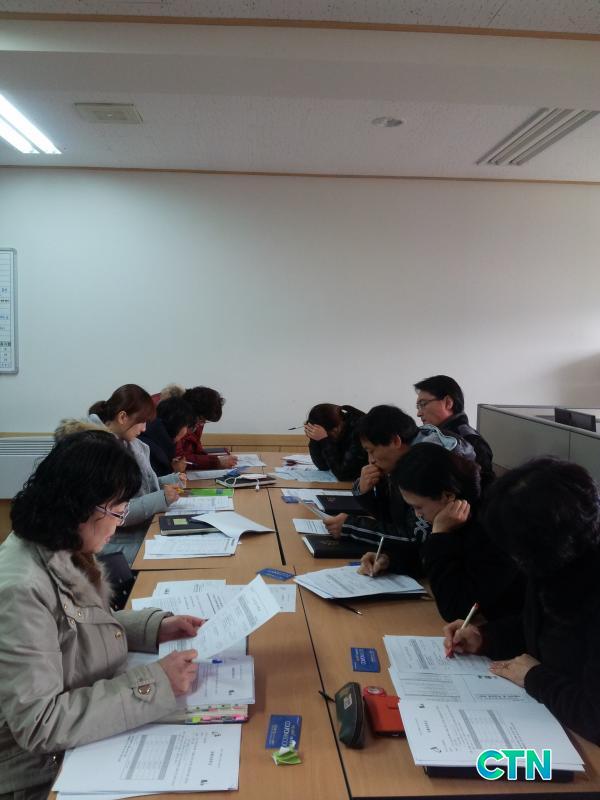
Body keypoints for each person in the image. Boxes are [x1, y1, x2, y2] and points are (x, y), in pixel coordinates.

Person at [0, 430, 203, 798]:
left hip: (75, 746)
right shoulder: (20, 588)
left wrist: (153, 628)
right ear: (81, 507)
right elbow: (39, 724)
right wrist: (156, 683)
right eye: (117, 511)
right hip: (40, 773)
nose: (119, 523)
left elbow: (73, 627)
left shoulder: (59, 543)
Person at [443, 457, 600, 744]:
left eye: (516, 552)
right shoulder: (558, 565)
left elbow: (595, 718)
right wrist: (484, 637)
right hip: (552, 717)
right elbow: (541, 627)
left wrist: (534, 677)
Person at [360, 443, 524, 621]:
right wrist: (389, 560)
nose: (417, 515)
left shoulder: (492, 530)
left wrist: (439, 535)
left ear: (448, 495)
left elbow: (454, 609)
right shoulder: (457, 513)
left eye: (418, 507)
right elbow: (427, 559)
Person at [324, 405, 475, 576]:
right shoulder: (400, 463)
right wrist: (366, 492)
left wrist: (352, 527)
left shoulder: (428, 468)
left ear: (395, 441)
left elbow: (416, 536)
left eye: (371, 451)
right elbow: (392, 520)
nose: (370, 460)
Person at [55, 384, 184, 527]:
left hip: (133, 528)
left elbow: (141, 485)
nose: (144, 428)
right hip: (113, 536)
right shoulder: (97, 452)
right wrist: (161, 498)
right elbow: (112, 513)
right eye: (142, 421)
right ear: (122, 417)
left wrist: (170, 480)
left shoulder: (130, 444)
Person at [414, 375, 495, 489]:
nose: (418, 413)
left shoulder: (470, 441)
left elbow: (482, 491)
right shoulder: (432, 436)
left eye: (423, 404)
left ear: (448, 402)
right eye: (418, 406)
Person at [156, 385, 237, 470]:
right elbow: (178, 458)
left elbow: (196, 449)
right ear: (193, 412)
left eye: (205, 421)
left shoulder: (195, 416)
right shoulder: (173, 415)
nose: (201, 424)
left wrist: (212, 458)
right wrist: (216, 461)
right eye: (201, 420)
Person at [304, 403, 367, 481]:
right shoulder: (338, 428)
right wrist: (314, 439)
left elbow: (344, 475)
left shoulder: (359, 431)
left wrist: (325, 441)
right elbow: (323, 466)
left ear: (335, 429)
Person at [139, 395, 197, 477]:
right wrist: (173, 470)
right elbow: (151, 481)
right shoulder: (148, 446)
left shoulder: (153, 435)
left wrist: (169, 464)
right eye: (186, 426)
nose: (186, 432)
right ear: (179, 424)